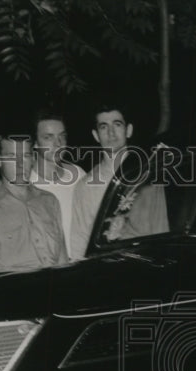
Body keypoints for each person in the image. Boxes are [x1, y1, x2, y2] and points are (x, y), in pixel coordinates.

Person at [69, 103, 168, 259]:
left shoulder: (149, 177)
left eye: (117, 124)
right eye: (103, 127)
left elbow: (162, 231)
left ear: (128, 130)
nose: (111, 132)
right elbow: (79, 242)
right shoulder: (85, 186)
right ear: (96, 135)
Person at [0, 136, 67, 281]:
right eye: (11, 157)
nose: (20, 164)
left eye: (26, 156)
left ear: (33, 158)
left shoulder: (49, 201)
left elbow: (63, 262)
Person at [29, 109, 85, 260]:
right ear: (35, 143)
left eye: (62, 136)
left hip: (83, 263)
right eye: (48, 137)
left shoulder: (79, 175)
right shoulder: (28, 184)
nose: (58, 144)